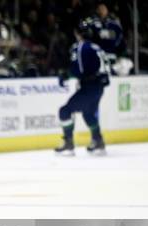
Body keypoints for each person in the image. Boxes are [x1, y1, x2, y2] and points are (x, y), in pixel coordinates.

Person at [55, 18, 109, 156]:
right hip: (98, 88)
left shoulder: (80, 47)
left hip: (89, 87)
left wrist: (66, 76)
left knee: (65, 111)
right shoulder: (96, 47)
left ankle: (68, 143)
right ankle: (98, 141)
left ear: (77, 33)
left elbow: (79, 70)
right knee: (89, 114)